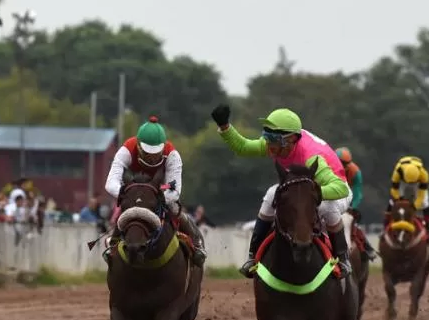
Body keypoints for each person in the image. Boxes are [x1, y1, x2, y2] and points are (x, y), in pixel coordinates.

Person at [210, 103, 353, 278]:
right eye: (266, 135)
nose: (268, 143)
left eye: (273, 139)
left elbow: (340, 188)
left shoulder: (311, 156)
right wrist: (225, 127)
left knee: (327, 207)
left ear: (291, 139)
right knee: (271, 195)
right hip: (300, 189)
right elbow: (243, 147)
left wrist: (314, 194)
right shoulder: (277, 144)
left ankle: (343, 258)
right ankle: (253, 256)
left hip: (333, 190)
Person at [103, 116, 206, 266]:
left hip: (161, 189)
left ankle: (196, 245)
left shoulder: (172, 155)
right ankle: (113, 244)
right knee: (125, 209)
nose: (151, 157)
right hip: (135, 190)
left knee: (174, 208)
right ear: (138, 145)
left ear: (163, 146)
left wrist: (155, 198)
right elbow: (110, 183)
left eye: (155, 153)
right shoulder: (126, 149)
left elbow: (175, 190)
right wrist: (128, 194)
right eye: (147, 152)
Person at [335, 147, 377, 261]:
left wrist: (351, 207)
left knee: (353, 224)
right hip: (333, 198)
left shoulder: (355, 172)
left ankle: (367, 247)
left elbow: (358, 194)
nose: (343, 166)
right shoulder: (328, 168)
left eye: (346, 164)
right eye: (340, 163)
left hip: (348, 200)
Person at [384, 155, 429, 240]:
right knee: (392, 201)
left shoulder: (424, 175)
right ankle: (385, 226)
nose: (411, 185)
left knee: (425, 203)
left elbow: (421, 195)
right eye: (410, 182)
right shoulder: (397, 172)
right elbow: (394, 190)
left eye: (413, 182)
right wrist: (398, 200)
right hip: (402, 181)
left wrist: (415, 206)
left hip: (418, 182)